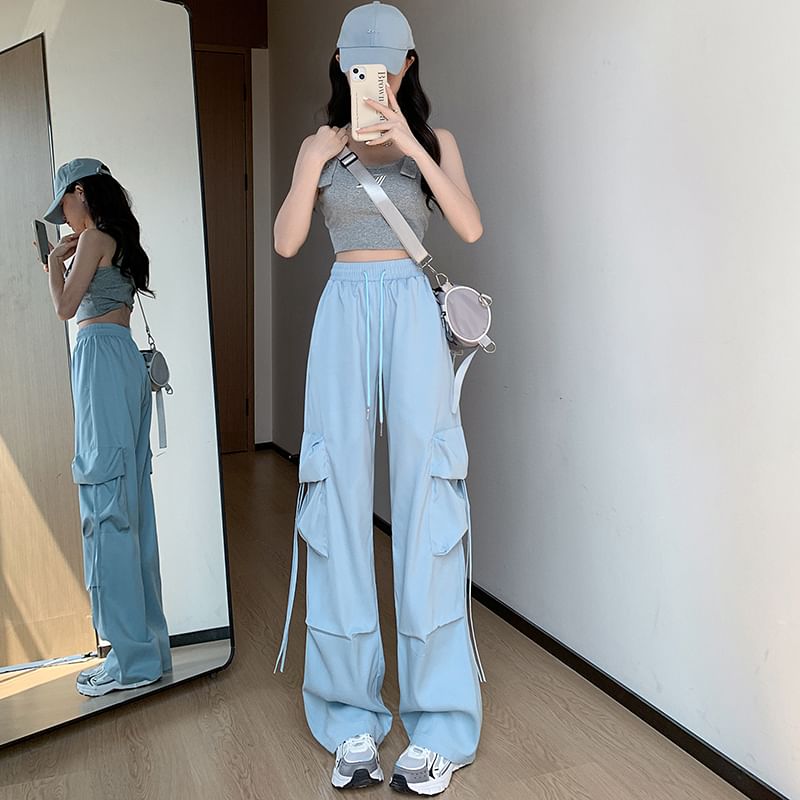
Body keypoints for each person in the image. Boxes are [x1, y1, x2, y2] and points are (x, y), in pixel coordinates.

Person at [272, 2, 485, 794]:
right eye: (362, 64)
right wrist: (311, 162)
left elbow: (469, 226)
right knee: (336, 497)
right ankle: (348, 715)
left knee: (429, 494)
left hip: (411, 310)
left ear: (408, 65)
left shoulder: (437, 141)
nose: (376, 77)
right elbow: (287, 241)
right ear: (340, 63)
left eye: (388, 65)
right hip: (343, 308)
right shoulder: (320, 145)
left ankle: (440, 721)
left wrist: (412, 147)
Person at [39, 157, 172, 697]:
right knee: (132, 505)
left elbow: (65, 308)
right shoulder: (118, 238)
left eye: (65, 207)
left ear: (80, 192)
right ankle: (149, 649)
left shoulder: (93, 238)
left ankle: (130, 660)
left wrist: (54, 263)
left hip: (98, 356)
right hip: (125, 360)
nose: (65, 220)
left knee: (105, 504)